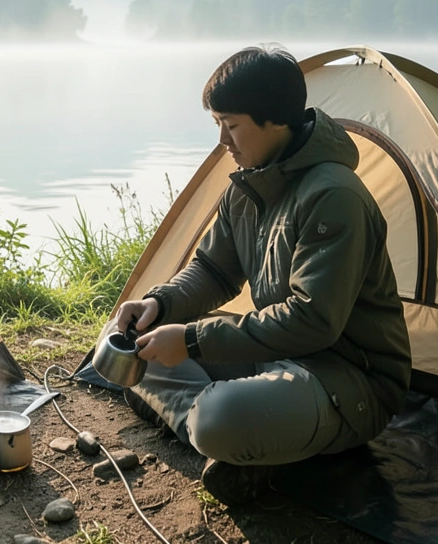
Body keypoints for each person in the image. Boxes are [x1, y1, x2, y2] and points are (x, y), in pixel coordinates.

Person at [112, 44, 411, 506]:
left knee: (215, 417)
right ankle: (255, 445)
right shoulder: (249, 184)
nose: (222, 143)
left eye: (231, 127)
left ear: (277, 121)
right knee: (124, 344)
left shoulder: (334, 196)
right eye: (217, 126)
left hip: (348, 381)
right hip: (274, 354)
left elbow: (313, 321)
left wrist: (190, 342)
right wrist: (160, 305)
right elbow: (213, 270)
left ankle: (225, 427)